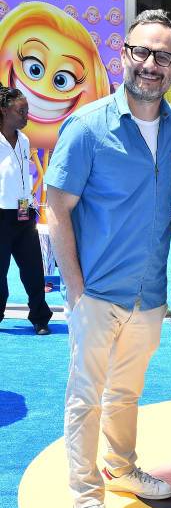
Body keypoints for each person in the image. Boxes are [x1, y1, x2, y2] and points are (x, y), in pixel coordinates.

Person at [44, 10, 171, 508]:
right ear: (122, 55)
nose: (151, 65)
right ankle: (86, 498)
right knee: (85, 398)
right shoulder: (86, 127)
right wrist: (75, 289)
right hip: (97, 293)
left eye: (163, 56)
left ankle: (122, 468)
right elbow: (57, 210)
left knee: (126, 393)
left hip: (149, 295)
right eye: (142, 53)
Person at [0, 85, 52, 335]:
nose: (26, 115)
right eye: (21, 111)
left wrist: (28, 204)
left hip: (23, 213)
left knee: (34, 269)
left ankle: (40, 317)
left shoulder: (24, 139)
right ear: (3, 110)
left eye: (27, 110)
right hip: (0, 214)